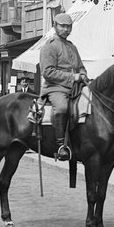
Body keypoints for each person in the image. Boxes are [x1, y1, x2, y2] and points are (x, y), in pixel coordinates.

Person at [39, 12, 88, 162]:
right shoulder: (49, 47)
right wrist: (73, 77)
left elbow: (81, 67)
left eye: (69, 27)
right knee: (61, 108)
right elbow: (47, 72)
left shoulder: (72, 47)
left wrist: (83, 75)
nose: (66, 29)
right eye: (63, 26)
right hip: (55, 88)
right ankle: (61, 145)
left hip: (76, 87)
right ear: (55, 26)